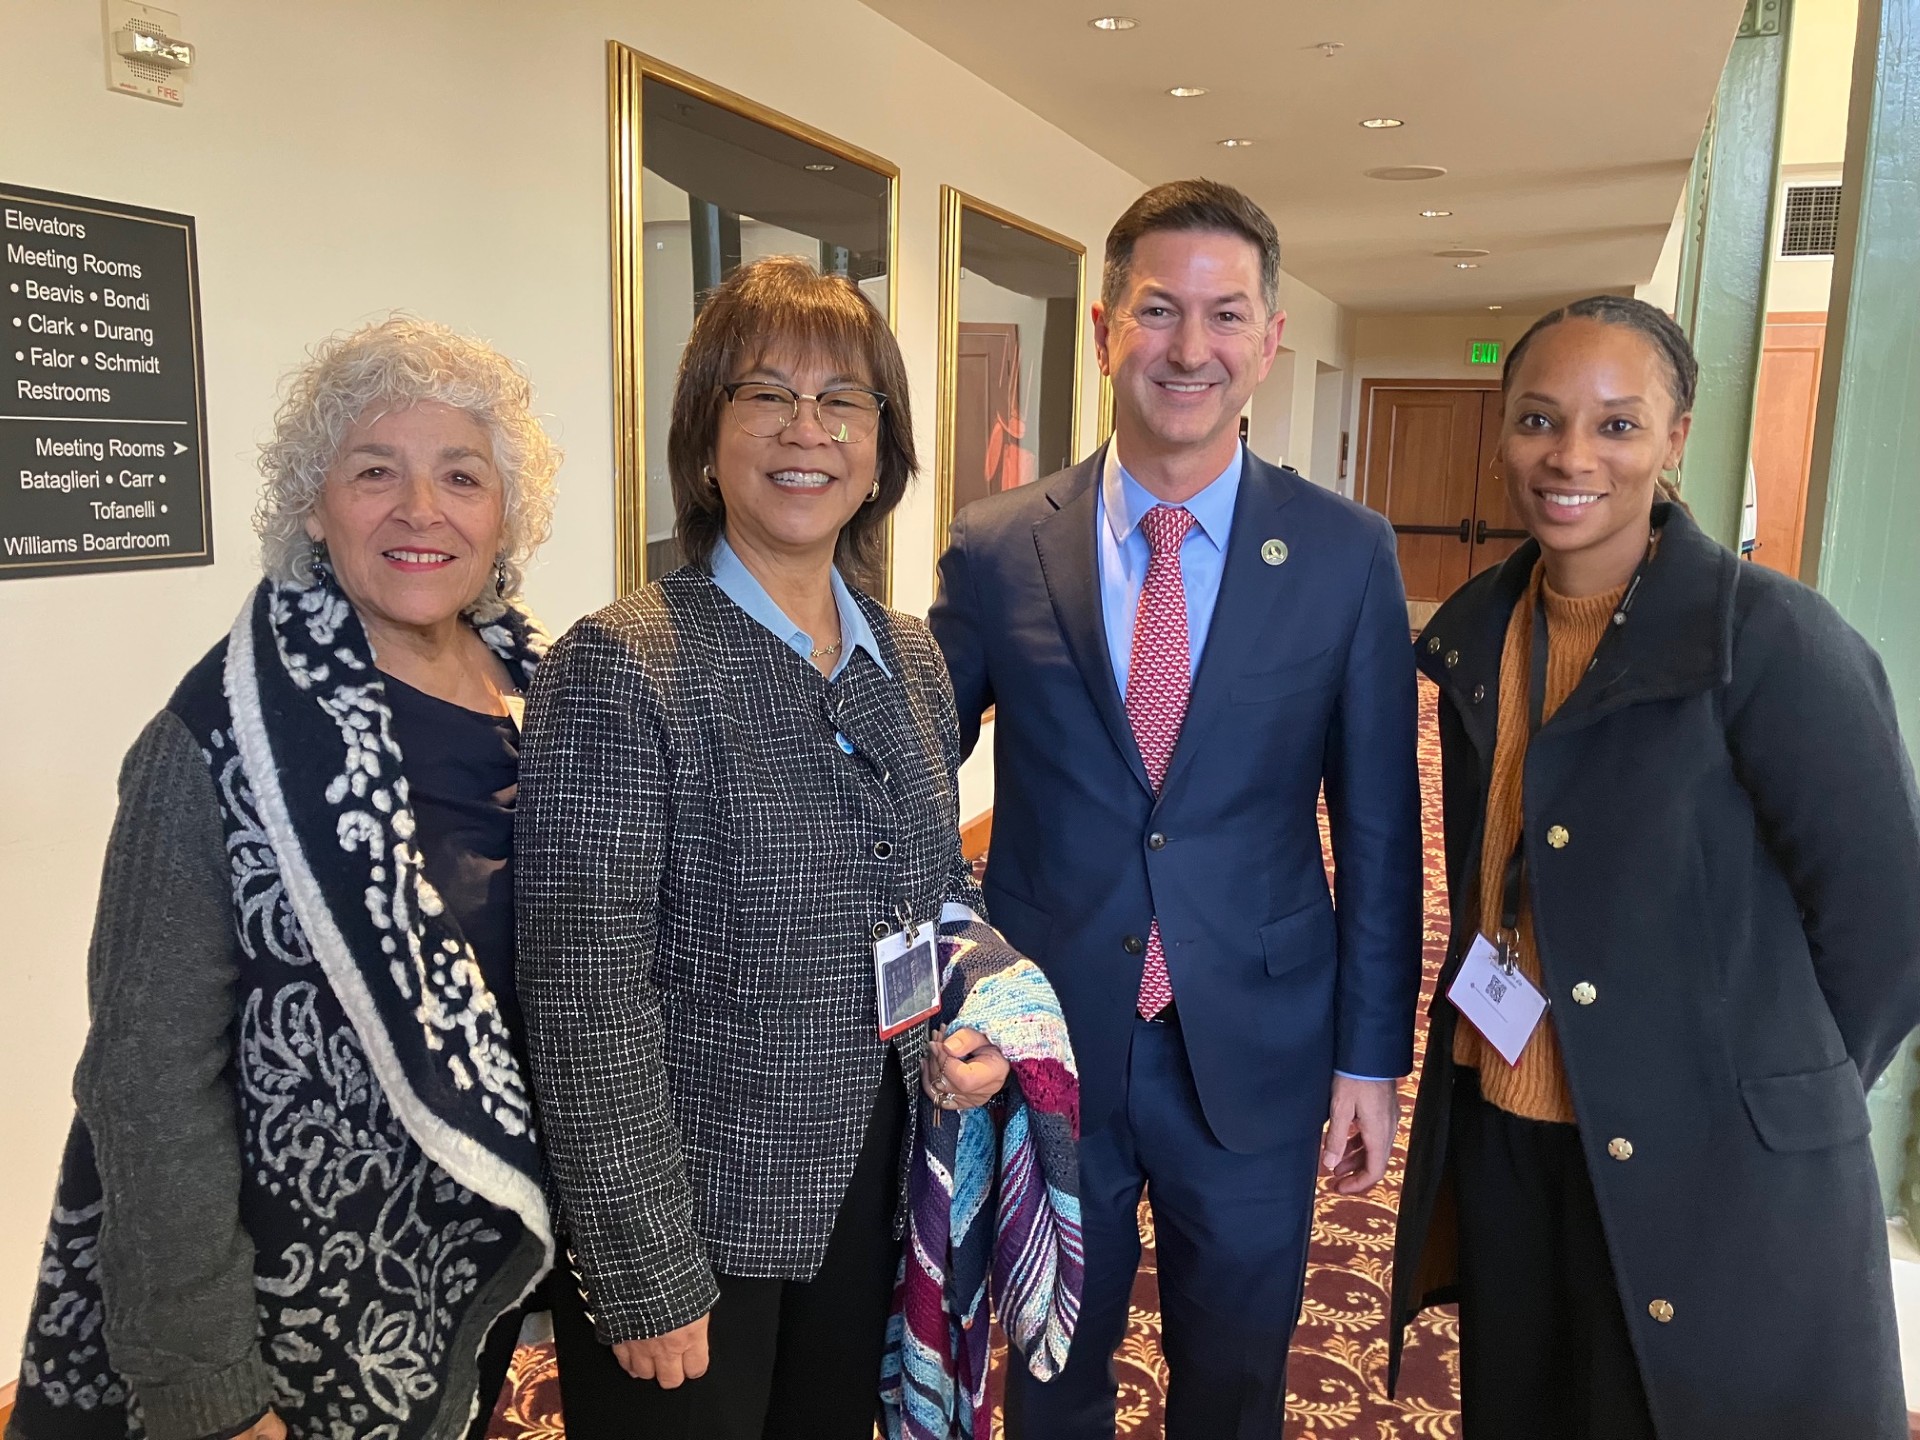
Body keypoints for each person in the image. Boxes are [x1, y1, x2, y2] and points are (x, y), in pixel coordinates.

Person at [928, 178, 1424, 1439]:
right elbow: (909, 778)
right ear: (1104, 329)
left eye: (1224, 315)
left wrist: (1372, 1056)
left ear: (1268, 341)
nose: (1188, 348)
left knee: (1238, 1380)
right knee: (1049, 1371)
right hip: (1051, 1041)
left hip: (1258, 1042)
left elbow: (1377, 826)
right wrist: (935, 982)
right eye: (1157, 310)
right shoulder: (996, 548)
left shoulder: (1344, 552)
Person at [8, 317, 561, 1440]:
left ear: (503, 515)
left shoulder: (549, 702)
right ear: (314, 508)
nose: (420, 510)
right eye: (374, 473)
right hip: (280, 1329)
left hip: (477, 1284)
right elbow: (144, 1079)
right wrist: (210, 1391)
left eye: (461, 476)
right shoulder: (217, 737)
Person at [515, 255, 1036, 1440]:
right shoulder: (623, 663)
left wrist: (981, 1012)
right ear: (706, 440)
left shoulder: (907, 656)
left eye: (843, 400)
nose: (809, 429)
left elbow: (938, 887)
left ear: (882, 448)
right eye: (765, 394)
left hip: (880, 1171)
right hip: (700, 1220)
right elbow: (585, 998)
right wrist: (644, 1268)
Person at [1389, 295, 1920, 1439]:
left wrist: (1763, 1098)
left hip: (1701, 1163)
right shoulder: (1480, 632)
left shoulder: (1771, 642)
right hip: (1509, 1128)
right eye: (1538, 419)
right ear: (1502, 432)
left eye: (1617, 425)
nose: (1571, 456)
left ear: (1675, 437)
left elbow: (1887, 933)